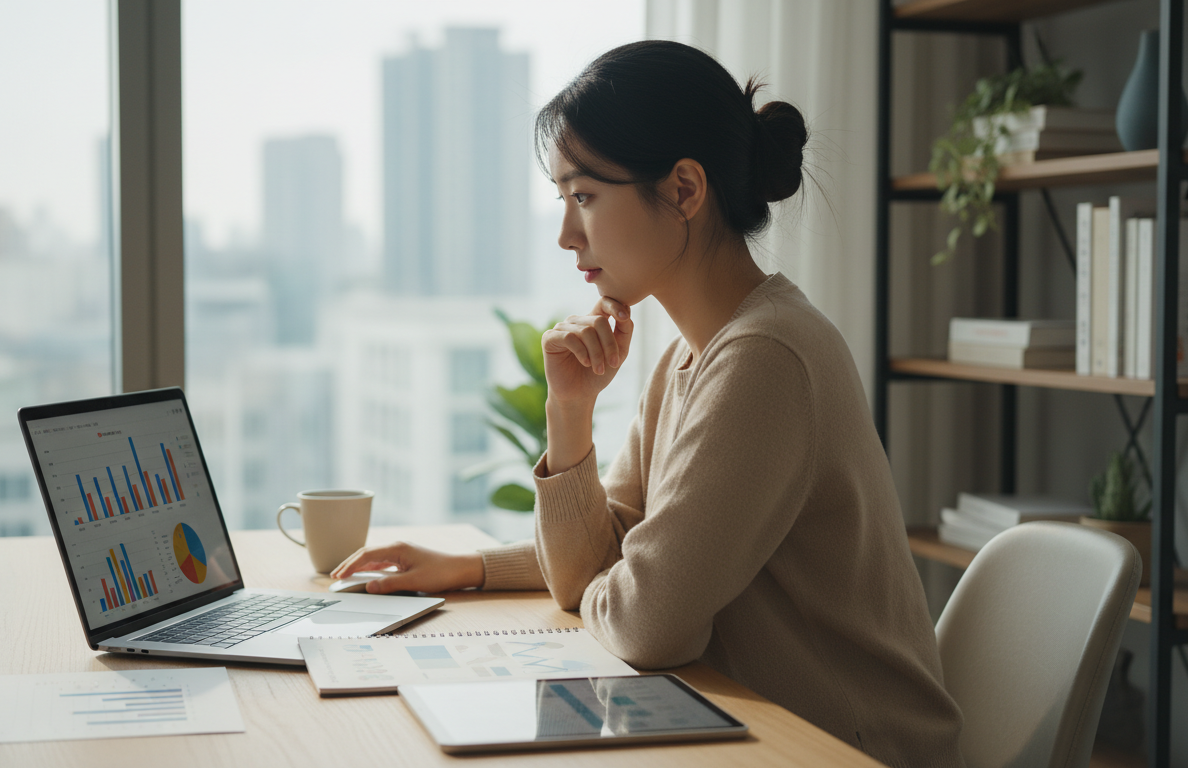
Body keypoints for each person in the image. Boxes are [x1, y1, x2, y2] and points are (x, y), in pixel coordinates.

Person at [333, 40, 964, 767]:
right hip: (759, 731)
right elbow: (613, 563)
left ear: (685, 190)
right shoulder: (689, 358)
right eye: (563, 201)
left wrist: (606, 576)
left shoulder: (765, 358)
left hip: (850, 750)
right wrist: (567, 417)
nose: (566, 235)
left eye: (584, 197)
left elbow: (646, 623)